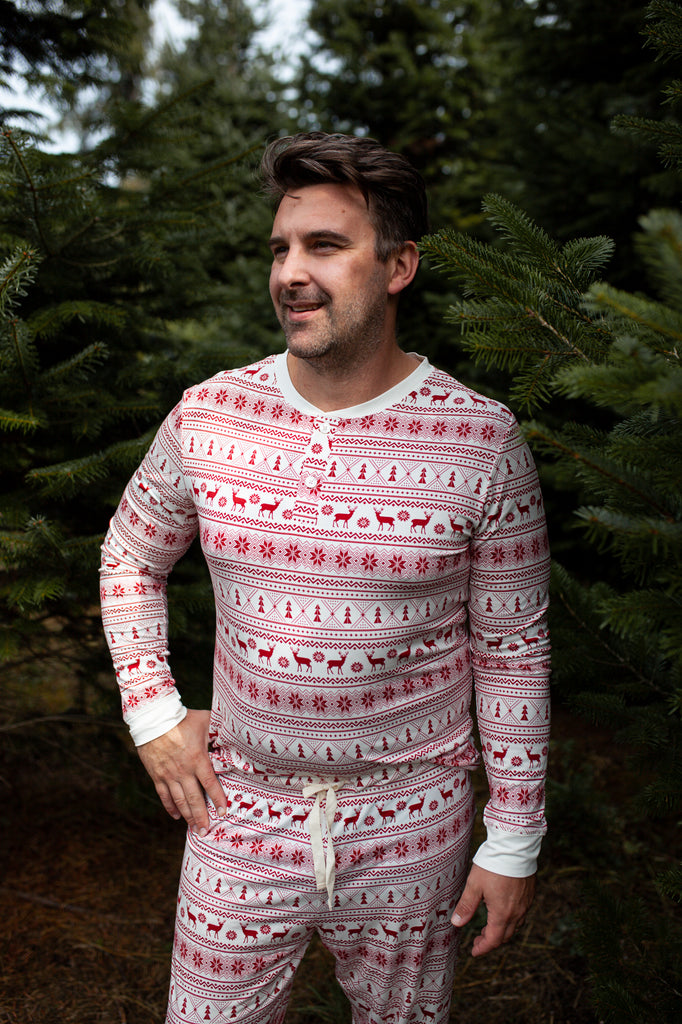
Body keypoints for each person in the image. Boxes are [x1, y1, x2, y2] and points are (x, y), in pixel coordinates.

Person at [100, 131, 550, 1024]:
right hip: (237, 810)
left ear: (399, 265)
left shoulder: (482, 441)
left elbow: (512, 647)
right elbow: (130, 556)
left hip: (413, 824)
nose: (291, 274)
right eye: (281, 249)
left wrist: (514, 838)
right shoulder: (208, 414)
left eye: (325, 246)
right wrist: (152, 716)